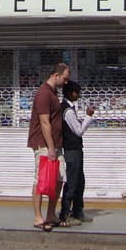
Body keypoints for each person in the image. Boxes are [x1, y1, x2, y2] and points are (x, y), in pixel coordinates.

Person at [27, 62, 70, 231]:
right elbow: (44, 122)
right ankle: (38, 217)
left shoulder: (53, 93)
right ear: (56, 75)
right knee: (41, 179)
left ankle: (51, 214)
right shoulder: (43, 94)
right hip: (44, 145)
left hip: (56, 144)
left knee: (59, 178)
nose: (65, 82)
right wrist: (51, 147)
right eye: (65, 79)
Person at [59, 81, 95, 226]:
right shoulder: (67, 111)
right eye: (76, 92)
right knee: (72, 182)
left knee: (80, 181)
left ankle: (78, 211)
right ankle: (65, 214)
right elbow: (78, 131)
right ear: (70, 93)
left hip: (76, 150)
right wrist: (88, 116)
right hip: (72, 150)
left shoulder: (70, 109)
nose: (78, 95)